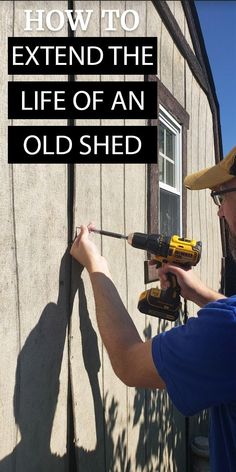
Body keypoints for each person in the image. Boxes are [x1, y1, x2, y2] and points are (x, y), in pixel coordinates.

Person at [70, 146, 236, 472]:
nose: (219, 212)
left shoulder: (227, 332)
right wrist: (202, 293)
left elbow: (129, 363)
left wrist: (97, 267)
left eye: (221, 196)